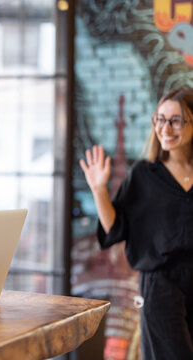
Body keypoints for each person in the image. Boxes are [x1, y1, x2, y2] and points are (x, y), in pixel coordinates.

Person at [79, 87, 193, 359]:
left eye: (175, 120)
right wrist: (98, 190)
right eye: (160, 119)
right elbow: (114, 229)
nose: (165, 128)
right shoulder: (143, 174)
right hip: (161, 287)